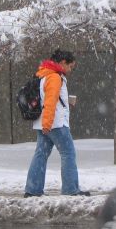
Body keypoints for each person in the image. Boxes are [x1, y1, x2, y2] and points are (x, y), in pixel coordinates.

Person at [24, 49, 89, 197]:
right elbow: (51, 101)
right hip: (55, 123)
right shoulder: (54, 77)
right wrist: (48, 123)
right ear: (62, 63)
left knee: (40, 155)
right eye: (70, 66)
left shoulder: (43, 74)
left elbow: (50, 99)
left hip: (44, 122)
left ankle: (32, 190)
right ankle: (70, 190)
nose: (70, 70)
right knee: (68, 153)